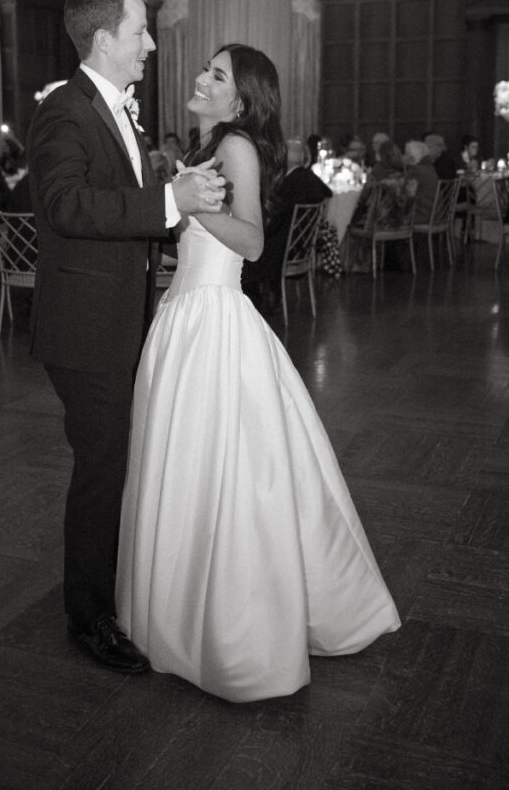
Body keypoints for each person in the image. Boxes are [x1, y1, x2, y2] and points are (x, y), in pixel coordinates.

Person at [116, 44, 400, 703]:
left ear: (240, 98)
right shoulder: (212, 143)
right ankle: (185, 613)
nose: (198, 78)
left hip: (213, 317)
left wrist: (180, 204)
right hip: (185, 315)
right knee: (189, 463)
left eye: (215, 74)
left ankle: (235, 630)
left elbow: (249, 242)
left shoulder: (236, 145)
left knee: (224, 466)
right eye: (205, 70)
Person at [26, 0, 226, 676]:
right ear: (103, 38)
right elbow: (67, 207)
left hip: (117, 321)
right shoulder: (64, 112)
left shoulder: (116, 111)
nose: (148, 44)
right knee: (102, 470)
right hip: (85, 333)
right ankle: (88, 618)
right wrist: (165, 199)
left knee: (116, 465)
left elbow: (124, 212)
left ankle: (108, 592)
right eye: (140, 31)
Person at [242, 136, 332, 312]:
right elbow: (327, 193)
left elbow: (275, 220)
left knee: (246, 250)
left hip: (284, 250)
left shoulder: (290, 183)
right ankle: (269, 294)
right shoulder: (309, 178)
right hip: (302, 247)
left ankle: (254, 305)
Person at [404, 139, 439, 223]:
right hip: (436, 214)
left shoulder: (415, 171)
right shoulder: (430, 168)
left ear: (413, 156)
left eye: (406, 154)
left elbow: (407, 195)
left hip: (422, 215)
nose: (403, 156)